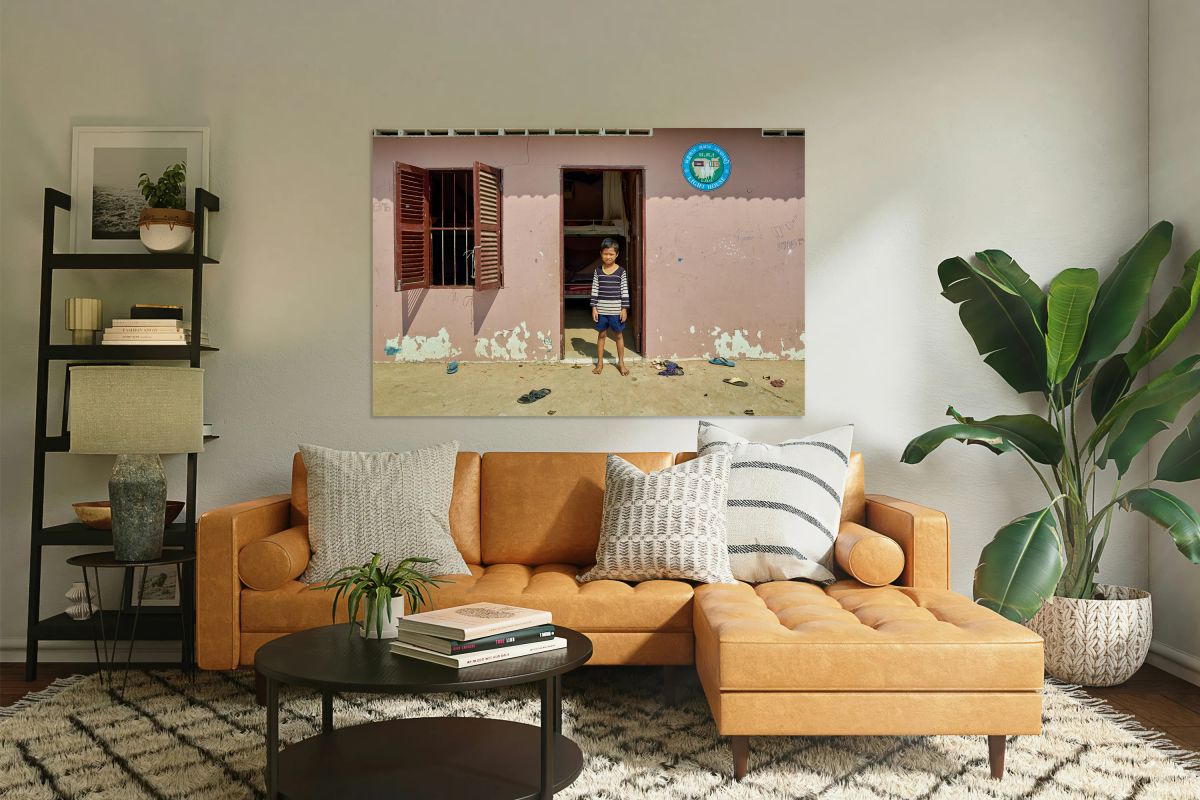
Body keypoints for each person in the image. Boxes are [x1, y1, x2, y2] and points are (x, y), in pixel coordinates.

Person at [590, 238, 630, 376]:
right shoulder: (598, 271)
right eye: (605, 253)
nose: (608, 257)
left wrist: (624, 309)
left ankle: (621, 363)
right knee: (601, 335)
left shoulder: (621, 272)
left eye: (611, 254)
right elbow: (595, 289)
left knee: (618, 336)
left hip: (616, 311)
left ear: (617, 254)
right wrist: (594, 307)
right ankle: (600, 363)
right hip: (601, 311)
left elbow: (624, 290)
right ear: (601, 253)